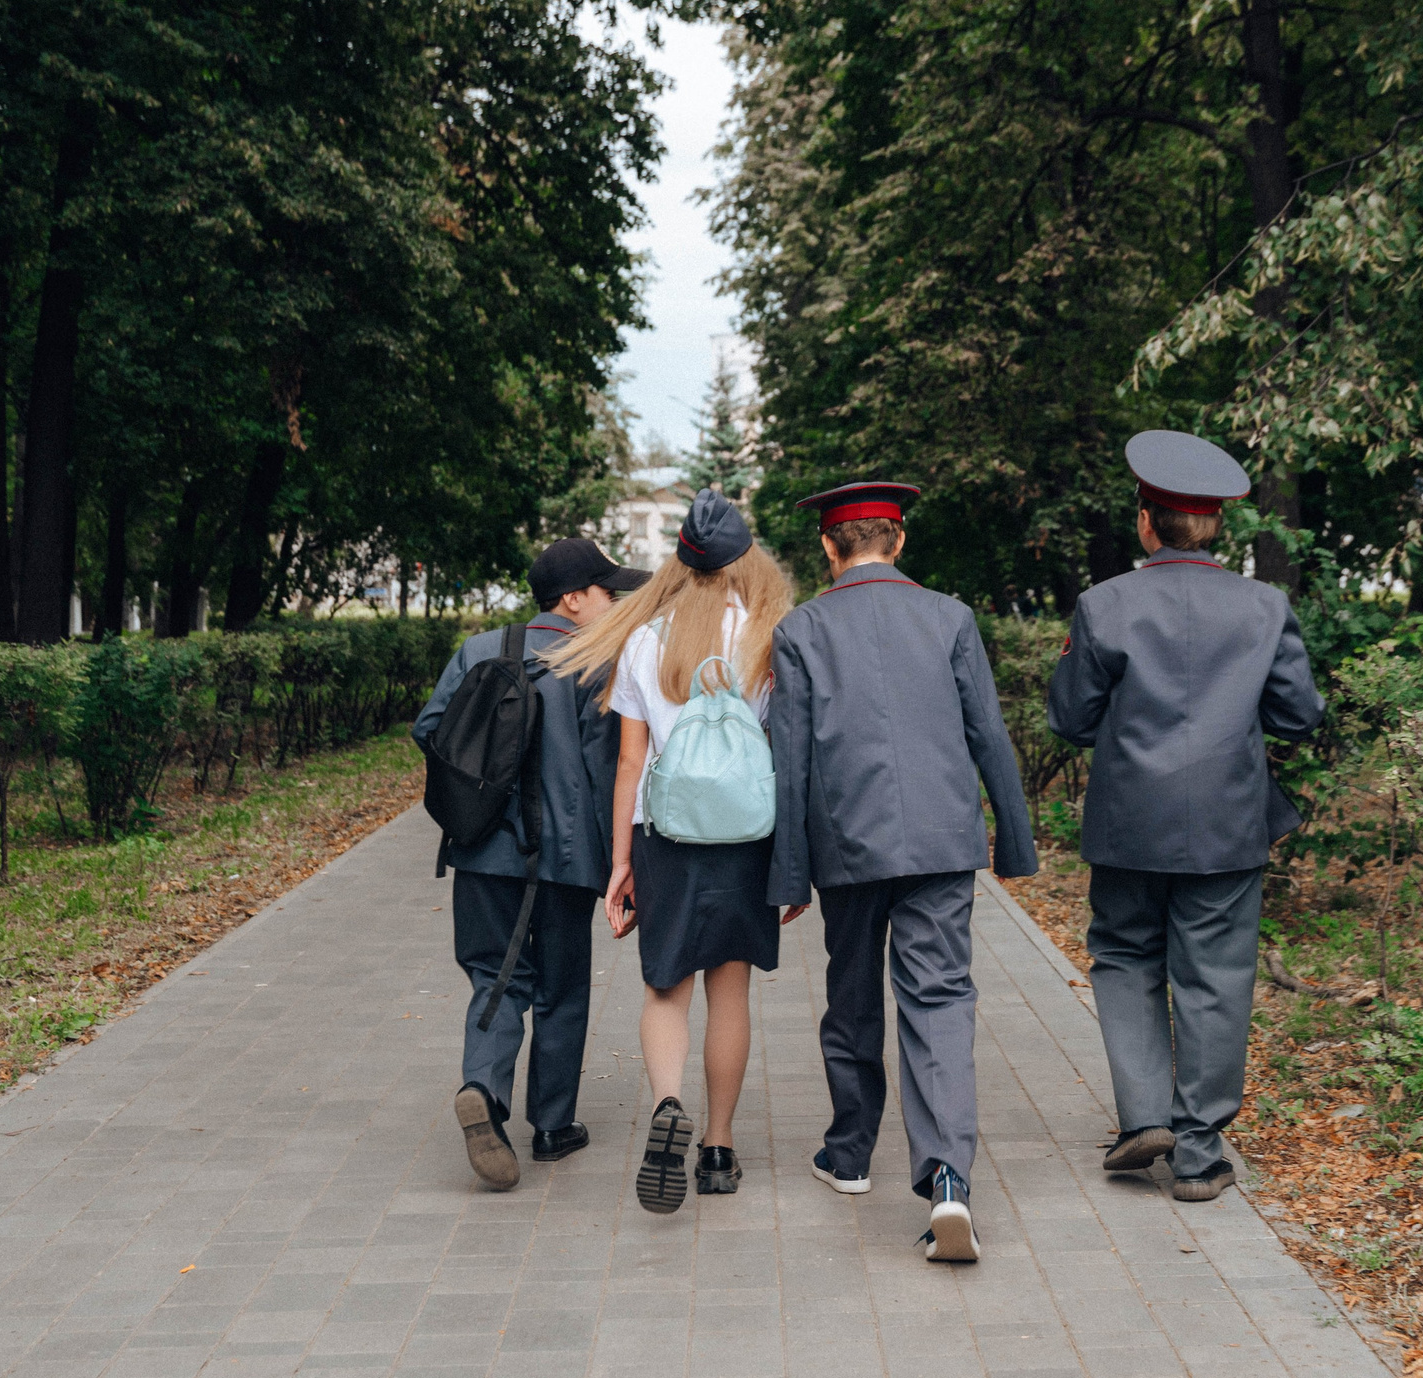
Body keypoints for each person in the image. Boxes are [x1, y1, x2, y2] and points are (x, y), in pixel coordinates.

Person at [1046, 431, 1324, 1202]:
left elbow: (1070, 718)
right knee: (1215, 978)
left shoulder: (1105, 604)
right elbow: (1300, 717)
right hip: (1230, 825)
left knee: (1127, 957)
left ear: (1146, 521)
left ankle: (1145, 1115)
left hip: (1129, 822)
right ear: (1218, 525)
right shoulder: (1266, 606)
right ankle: (1199, 1152)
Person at [767, 480, 1037, 1263]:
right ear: (900, 540)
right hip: (944, 841)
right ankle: (948, 1177)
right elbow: (989, 732)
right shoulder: (950, 617)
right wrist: (1012, 842)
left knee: (851, 992)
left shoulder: (802, 629)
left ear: (829, 546)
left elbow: (790, 762)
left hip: (846, 843)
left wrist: (788, 876)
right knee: (941, 997)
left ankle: (849, 1155)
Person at [548, 489, 795, 1215]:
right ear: (744, 560)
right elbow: (785, 745)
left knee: (665, 988)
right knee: (730, 990)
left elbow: (630, 762)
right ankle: (717, 1146)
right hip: (747, 836)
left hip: (666, 833)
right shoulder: (767, 634)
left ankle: (666, 1102)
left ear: (679, 563)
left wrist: (619, 861)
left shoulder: (646, 637)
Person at [414, 536, 645, 1192]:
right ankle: (552, 1125)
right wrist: (622, 864)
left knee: (494, 974)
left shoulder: (481, 649)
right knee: (562, 987)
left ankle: (482, 1089)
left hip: (484, 852)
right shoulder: (600, 662)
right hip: (569, 858)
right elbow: (611, 769)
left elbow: (431, 729)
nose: (614, 603)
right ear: (574, 598)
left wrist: (477, 798)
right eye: (607, 591)